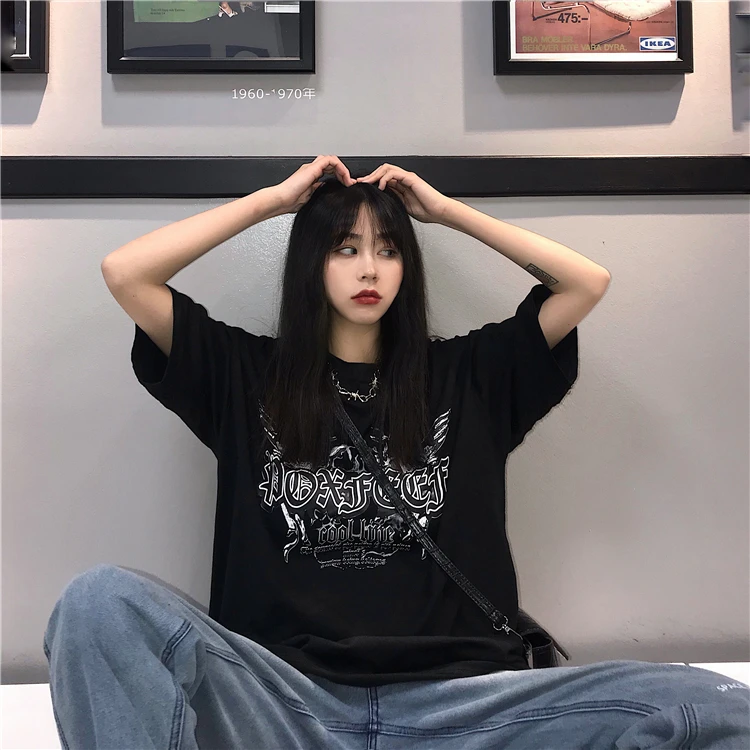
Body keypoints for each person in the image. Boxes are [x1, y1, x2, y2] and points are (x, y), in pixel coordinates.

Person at [43, 155, 749, 748]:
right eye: (344, 248)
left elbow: (585, 282)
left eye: (387, 250)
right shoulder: (243, 376)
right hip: (286, 706)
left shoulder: (472, 376)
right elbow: (126, 273)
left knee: (714, 705)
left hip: (463, 711)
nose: (368, 269)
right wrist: (272, 204)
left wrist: (446, 213)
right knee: (99, 602)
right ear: (312, 262)